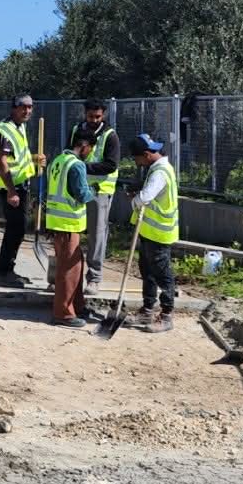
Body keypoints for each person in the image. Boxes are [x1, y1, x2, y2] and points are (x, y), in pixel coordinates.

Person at [0, 95, 47, 287]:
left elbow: (19, 157)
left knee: (17, 229)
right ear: (14, 108)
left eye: (30, 107)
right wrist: (12, 191)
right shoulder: (4, 130)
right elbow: (2, 161)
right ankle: (2, 271)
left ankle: (5, 269)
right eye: (24, 107)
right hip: (11, 187)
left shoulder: (19, 127)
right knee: (16, 229)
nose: (27, 111)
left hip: (21, 184)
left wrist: (35, 158)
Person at [126, 133, 180, 332]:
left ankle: (166, 315)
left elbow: (146, 197)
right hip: (150, 231)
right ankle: (147, 310)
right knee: (147, 271)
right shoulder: (156, 168)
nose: (136, 162)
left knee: (161, 272)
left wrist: (134, 200)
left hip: (159, 232)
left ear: (147, 154)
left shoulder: (160, 172)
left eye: (136, 158)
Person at [45, 129, 98, 327]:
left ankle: (77, 306)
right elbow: (82, 194)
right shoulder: (76, 166)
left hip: (56, 222)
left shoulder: (57, 161)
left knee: (74, 266)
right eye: (90, 149)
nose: (90, 153)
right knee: (69, 270)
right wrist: (94, 190)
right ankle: (63, 314)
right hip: (67, 224)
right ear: (84, 146)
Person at [73, 99, 121, 287]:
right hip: (76, 189)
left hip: (99, 192)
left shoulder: (110, 136)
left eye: (97, 116)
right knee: (71, 230)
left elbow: (111, 164)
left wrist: (83, 167)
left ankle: (94, 277)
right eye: (90, 116)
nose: (94, 120)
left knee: (96, 235)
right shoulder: (77, 130)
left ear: (104, 115)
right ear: (85, 113)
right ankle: (70, 275)